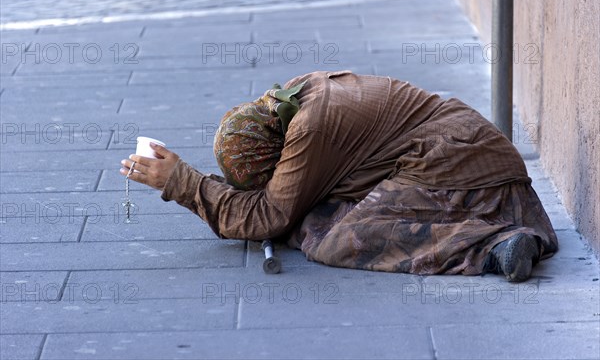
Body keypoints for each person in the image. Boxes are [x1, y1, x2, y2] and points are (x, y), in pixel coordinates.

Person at [120, 70, 558, 282]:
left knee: (338, 239)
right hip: (455, 153)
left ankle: (494, 246)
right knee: (317, 215)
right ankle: (494, 238)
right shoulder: (291, 99)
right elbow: (281, 202)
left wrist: (181, 182)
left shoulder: (310, 131)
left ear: (278, 154)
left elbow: (267, 218)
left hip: (463, 169)